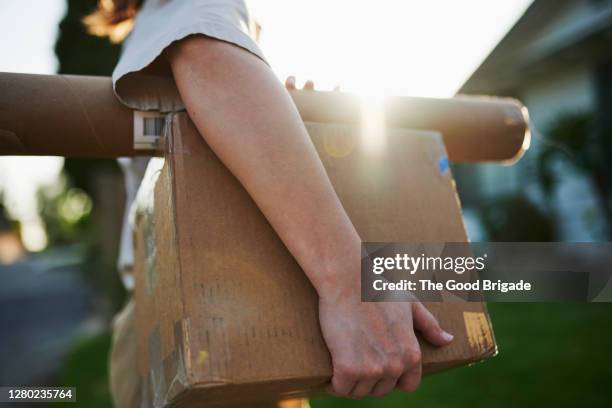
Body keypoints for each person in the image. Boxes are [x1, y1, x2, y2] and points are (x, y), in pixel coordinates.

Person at [86, 1, 454, 406]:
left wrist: (287, 123)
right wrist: (353, 286)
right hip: (201, 317)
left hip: (211, 308)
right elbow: (203, 48)